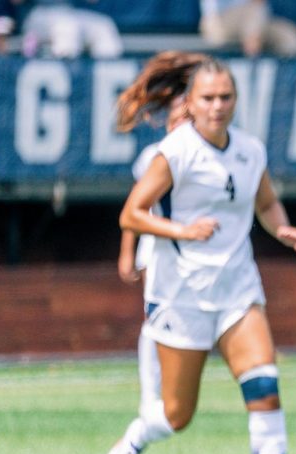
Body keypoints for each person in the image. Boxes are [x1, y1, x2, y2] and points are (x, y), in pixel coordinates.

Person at [102, 51, 296, 454]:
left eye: (226, 97)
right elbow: (131, 214)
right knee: (176, 415)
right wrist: (182, 230)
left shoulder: (250, 149)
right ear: (190, 103)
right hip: (182, 294)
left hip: (238, 288)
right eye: (209, 98)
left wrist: (282, 229)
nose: (218, 106)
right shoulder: (174, 152)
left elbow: (266, 201)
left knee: (264, 387)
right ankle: (139, 433)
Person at [116, 99, 189, 421]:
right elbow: (136, 206)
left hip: (198, 253)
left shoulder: (213, 155)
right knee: (155, 317)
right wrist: (127, 251)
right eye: (179, 117)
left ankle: (178, 388)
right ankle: (149, 396)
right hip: (158, 247)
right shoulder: (154, 156)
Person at [16, 0, 122, 58]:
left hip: (67, 11)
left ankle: (105, 91)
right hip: (37, 14)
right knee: (67, 27)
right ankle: (70, 87)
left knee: (104, 27)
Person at [199, 0, 296, 58]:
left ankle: (284, 85)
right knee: (253, 11)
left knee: (287, 35)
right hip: (219, 23)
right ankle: (252, 63)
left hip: (256, 24)